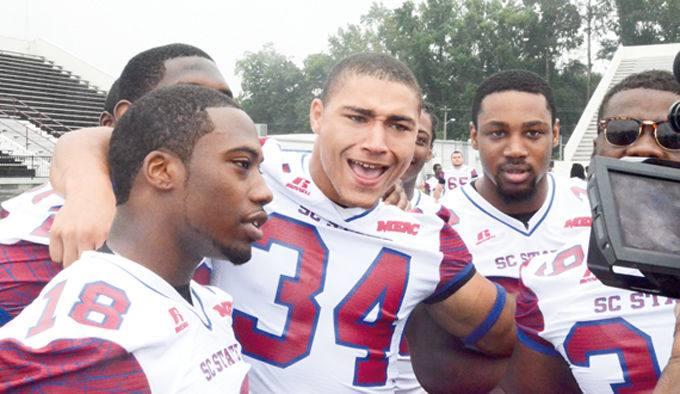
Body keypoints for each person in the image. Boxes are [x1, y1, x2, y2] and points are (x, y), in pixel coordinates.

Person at [48, 52, 517, 393]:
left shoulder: (425, 235)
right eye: (357, 117)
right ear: (318, 116)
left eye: (398, 126)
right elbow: (98, 140)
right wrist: (89, 186)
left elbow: (499, 336)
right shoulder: (253, 165)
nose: (376, 142)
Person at [0, 85, 270, 391]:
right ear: (161, 171)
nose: (264, 192)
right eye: (242, 165)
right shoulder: (97, 344)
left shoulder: (205, 301)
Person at [0, 43, 232, 326]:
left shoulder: (241, 179)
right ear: (123, 120)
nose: (218, 114)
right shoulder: (26, 245)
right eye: (188, 98)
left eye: (226, 100)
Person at [407, 69, 592, 392]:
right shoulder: (439, 222)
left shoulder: (591, 204)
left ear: (556, 133)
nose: (516, 149)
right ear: (475, 136)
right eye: (498, 133)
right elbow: (437, 364)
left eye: (533, 133)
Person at [502, 70, 680, 393]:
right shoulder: (547, 279)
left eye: (672, 136)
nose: (645, 148)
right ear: (595, 150)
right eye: (622, 132)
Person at [402, 101, 440, 214]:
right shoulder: (350, 207)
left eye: (420, 139)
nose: (408, 148)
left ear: (429, 153)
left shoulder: (438, 215)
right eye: (399, 131)